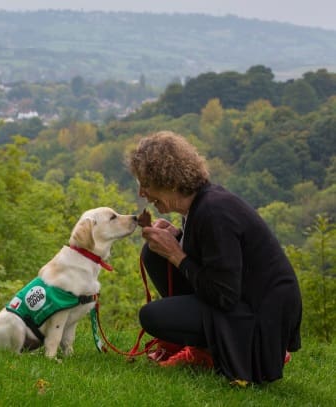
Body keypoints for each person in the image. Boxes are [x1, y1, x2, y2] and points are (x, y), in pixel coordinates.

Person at [125, 130, 302, 385]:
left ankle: (215, 352)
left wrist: (176, 253)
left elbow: (224, 294)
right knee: (153, 254)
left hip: (259, 316)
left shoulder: (214, 211)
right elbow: (213, 261)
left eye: (147, 184)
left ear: (170, 182)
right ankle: (202, 345)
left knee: (152, 315)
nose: (143, 193)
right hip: (241, 300)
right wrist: (178, 238)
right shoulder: (201, 204)